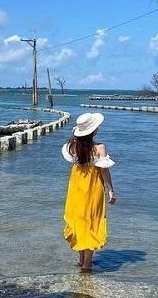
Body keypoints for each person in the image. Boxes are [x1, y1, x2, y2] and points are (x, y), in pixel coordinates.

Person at [62, 112, 116, 271]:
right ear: (94, 131)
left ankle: (81, 260)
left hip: (76, 189)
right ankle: (87, 265)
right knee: (92, 222)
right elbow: (104, 171)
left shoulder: (72, 146)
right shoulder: (99, 148)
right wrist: (111, 190)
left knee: (79, 221)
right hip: (92, 188)